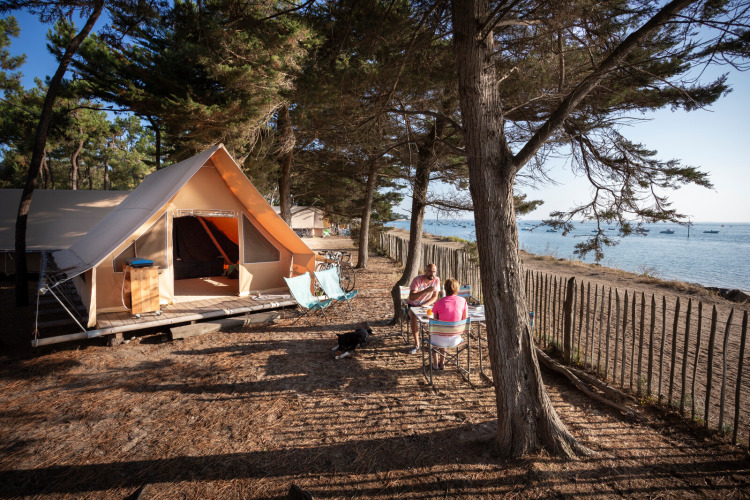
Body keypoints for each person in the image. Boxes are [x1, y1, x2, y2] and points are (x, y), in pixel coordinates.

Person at [430, 278, 468, 370]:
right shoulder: (463, 301)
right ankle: (442, 363)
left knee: (437, 334)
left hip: (439, 340)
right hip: (456, 339)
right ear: (457, 289)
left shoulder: (438, 303)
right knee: (446, 332)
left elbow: (436, 323)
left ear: (445, 289)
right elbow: (464, 319)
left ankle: (435, 364)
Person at [406, 263, 440, 354]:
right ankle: (417, 344)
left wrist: (426, 304)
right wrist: (425, 290)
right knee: (413, 317)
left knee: (436, 317)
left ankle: (435, 342)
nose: (432, 274)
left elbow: (435, 297)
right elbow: (411, 297)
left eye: (434, 271)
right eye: (429, 271)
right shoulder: (417, 280)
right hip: (413, 305)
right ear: (425, 271)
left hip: (426, 305)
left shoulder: (436, 280)